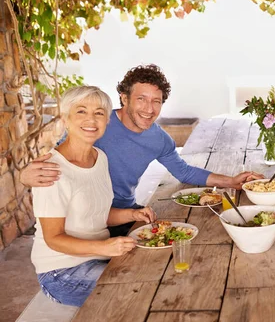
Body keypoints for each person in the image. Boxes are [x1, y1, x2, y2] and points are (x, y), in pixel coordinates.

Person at [21, 64, 261, 236]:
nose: (149, 109)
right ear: (124, 98)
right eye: (141, 99)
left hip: (125, 214)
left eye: (156, 101)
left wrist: (232, 181)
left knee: (194, 234)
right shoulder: (95, 125)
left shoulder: (159, 139)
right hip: (85, 221)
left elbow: (184, 172)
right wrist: (25, 176)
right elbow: (59, 159)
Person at [32, 86, 157, 307]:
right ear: (65, 118)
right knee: (141, 292)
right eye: (81, 111)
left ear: (107, 120)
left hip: (99, 257)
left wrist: (132, 214)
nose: (91, 119)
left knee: (160, 271)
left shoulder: (100, 158)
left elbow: (95, 215)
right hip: (63, 272)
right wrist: (105, 247)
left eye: (99, 113)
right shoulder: (50, 171)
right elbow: (53, 239)